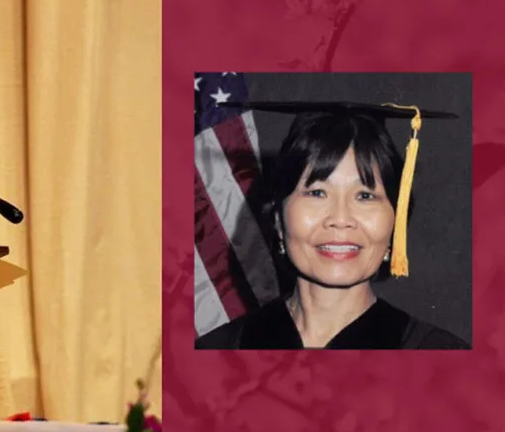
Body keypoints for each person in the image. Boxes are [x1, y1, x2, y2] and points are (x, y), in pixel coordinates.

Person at [195, 101, 470, 350]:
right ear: (278, 219)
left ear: (396, 222)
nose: (340, 218)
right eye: (316, 193)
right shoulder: (216, 350)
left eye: (365, 196)